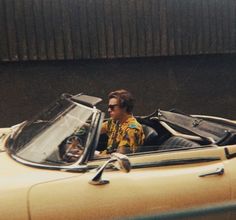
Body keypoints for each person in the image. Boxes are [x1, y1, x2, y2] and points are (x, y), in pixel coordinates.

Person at [100, 89, 145, 154]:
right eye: (109, 107)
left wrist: (96, 156)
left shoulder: (132, 129)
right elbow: (95, 129)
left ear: (124, 107)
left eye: (112, 107)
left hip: (119, 162)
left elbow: (119, 156)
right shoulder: (114, 122)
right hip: (107, 158)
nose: (109, 110)